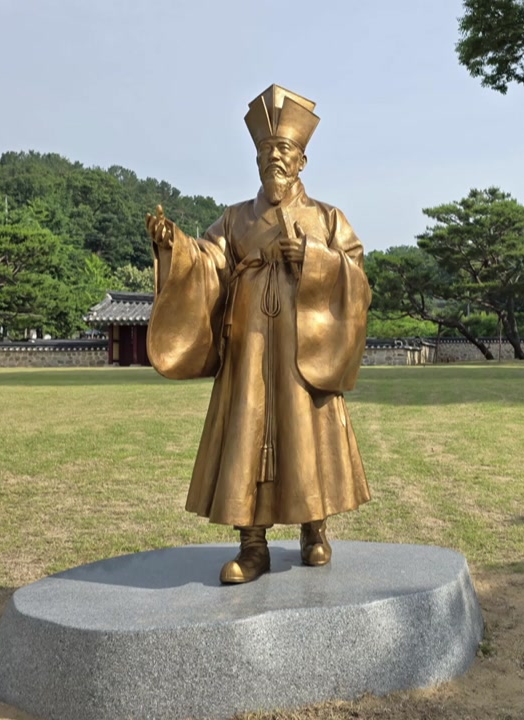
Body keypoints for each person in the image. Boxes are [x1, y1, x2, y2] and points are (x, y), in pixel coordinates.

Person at [144, 85, 371, 584]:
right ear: (256, 160)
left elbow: (357, 278)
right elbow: (208, 262)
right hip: (248, 346)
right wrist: (175, 246)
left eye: (284, 149)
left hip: (304, 348)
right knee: (247, 431)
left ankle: (314, 528)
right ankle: (252, 544)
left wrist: (313, 259)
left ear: (302, 160)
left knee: (307, 429)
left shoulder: (328, 218)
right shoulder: (235, 218)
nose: (274, 158)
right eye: (266, 150)